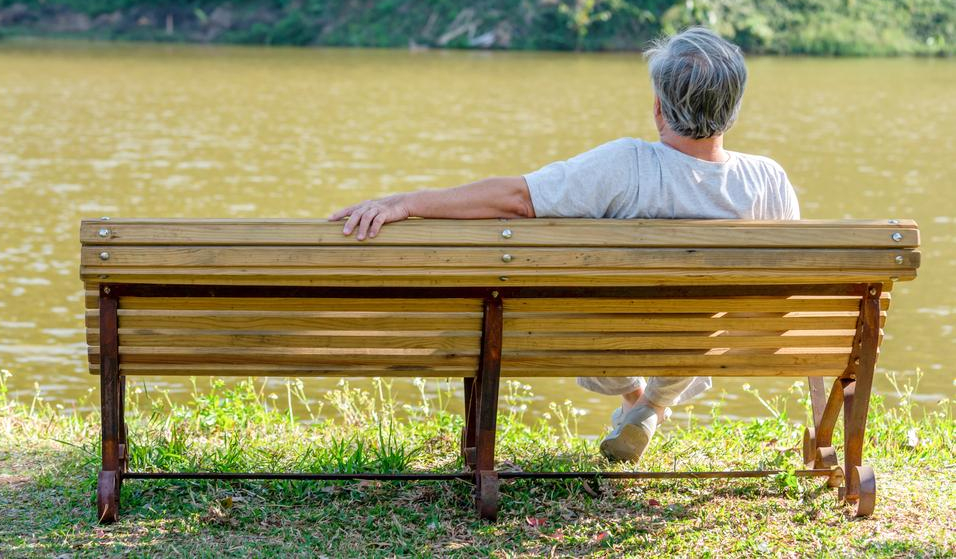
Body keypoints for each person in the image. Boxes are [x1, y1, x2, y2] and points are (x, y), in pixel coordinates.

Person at [328, 26, 800, 462]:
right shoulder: (767, 178)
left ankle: (639, 399)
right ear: (733, 110)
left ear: (659, 106)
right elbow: (791, 286)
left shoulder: (624, 165)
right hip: (705, 344)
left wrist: (409, 202)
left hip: (605, 341)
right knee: (695, 323)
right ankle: (651, 403)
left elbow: (515, 198)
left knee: (615, 318)